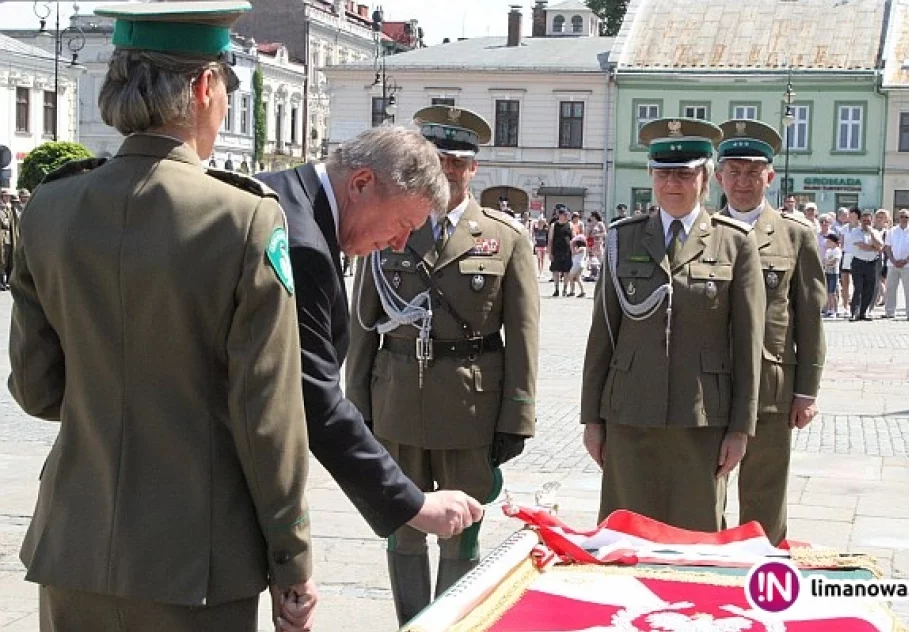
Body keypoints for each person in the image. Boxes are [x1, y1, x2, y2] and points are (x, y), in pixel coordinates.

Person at [8, 3, 317, 630]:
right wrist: (292, 558)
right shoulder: (245, 219)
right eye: (226, 87)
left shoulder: (49, 206)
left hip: (74, 549)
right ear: (205, 86)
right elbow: (268, 416)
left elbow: (37, 390)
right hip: (197, 563)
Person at [255, 126, 485, 589]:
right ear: (361, 184)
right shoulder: (301, 244)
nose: (400, 245)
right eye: (402, 225)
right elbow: (314, 398)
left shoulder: (281, 195)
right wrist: (414, 505)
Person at [346, 105, 539, 625]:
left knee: (461, 529)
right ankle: (412, 622)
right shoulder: (389, 230)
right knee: (404, 528)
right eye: (438, 160)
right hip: (399, 400)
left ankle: (453, 623)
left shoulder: (505, 238)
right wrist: (358, 406)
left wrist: (516, 416)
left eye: (458, 163)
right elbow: (365, 324)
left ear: (474, 169)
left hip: (469, 406)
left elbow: (522, 337)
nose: (449, 172)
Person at [581, 118, 765, 533]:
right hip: (629, 415)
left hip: (700, 419)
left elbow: (747, 343)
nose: (673, 183)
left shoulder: (734, 242)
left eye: (684, 173)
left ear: (704, 178)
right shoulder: (622, 239)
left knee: (695, 539)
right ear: (650, 176)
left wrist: (740, 428)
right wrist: (592, 419)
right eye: (663, 173)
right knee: (623, 537)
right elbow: (603, 336)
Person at [713, 120, 825, 545]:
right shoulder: (701, 232)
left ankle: (765, 573)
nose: (742, 182)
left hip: (771, 384)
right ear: (719, 176)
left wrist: (807, 391)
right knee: (708, 487)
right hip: (713, 382)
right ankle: (711, 570)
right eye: (734, 171)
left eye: (752, 172)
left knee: (764, 489)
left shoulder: (796, 237)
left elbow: (810, 317)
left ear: (770, 176)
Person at [883, 209, 909, 321]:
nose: (904, 219)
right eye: (902, 217)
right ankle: (889, 312)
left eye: (906, 217)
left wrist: (906, 260)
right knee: (890, 289)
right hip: (892, 264)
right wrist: (893, 260)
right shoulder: (891, 231)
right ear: (898, 218)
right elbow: (887, 247)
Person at [850, 210, 884, 321]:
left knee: (870, 289)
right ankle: (855, 312)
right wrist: (874, 248)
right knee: (858, 288)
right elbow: (862, 246)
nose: (866, 223)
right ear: (860, 221)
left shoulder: (875, 232)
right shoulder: (855, 231)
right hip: (858, 263)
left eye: (868, 221)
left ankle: (863, 312)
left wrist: (872, 234)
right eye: (864, 221)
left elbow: (880, 246)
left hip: (872, 263)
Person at [548, 207, 573, 295]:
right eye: (565, 215)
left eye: (567, 215)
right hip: (556, 251)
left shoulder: (570, 225)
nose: (566, 216)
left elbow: (573, 239)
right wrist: (550, 252)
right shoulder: (554, 225)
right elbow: (550, 240)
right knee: (556, 270)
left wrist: (573, 251)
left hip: (567, 251)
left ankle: (565, 289)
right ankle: (556, 289)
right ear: (560, 215)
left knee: (567, 271)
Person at [824, 234, 842, 318]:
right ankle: (829, 309)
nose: (827, 242)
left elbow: (834, 261)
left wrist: (827, 263)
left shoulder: (837, 250)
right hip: (828, 272)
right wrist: (826, 263)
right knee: (828, 292)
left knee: (833, 292)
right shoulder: (828, 251)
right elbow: (825, 261)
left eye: (829, 241)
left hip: (834, 273)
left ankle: (835, 310)